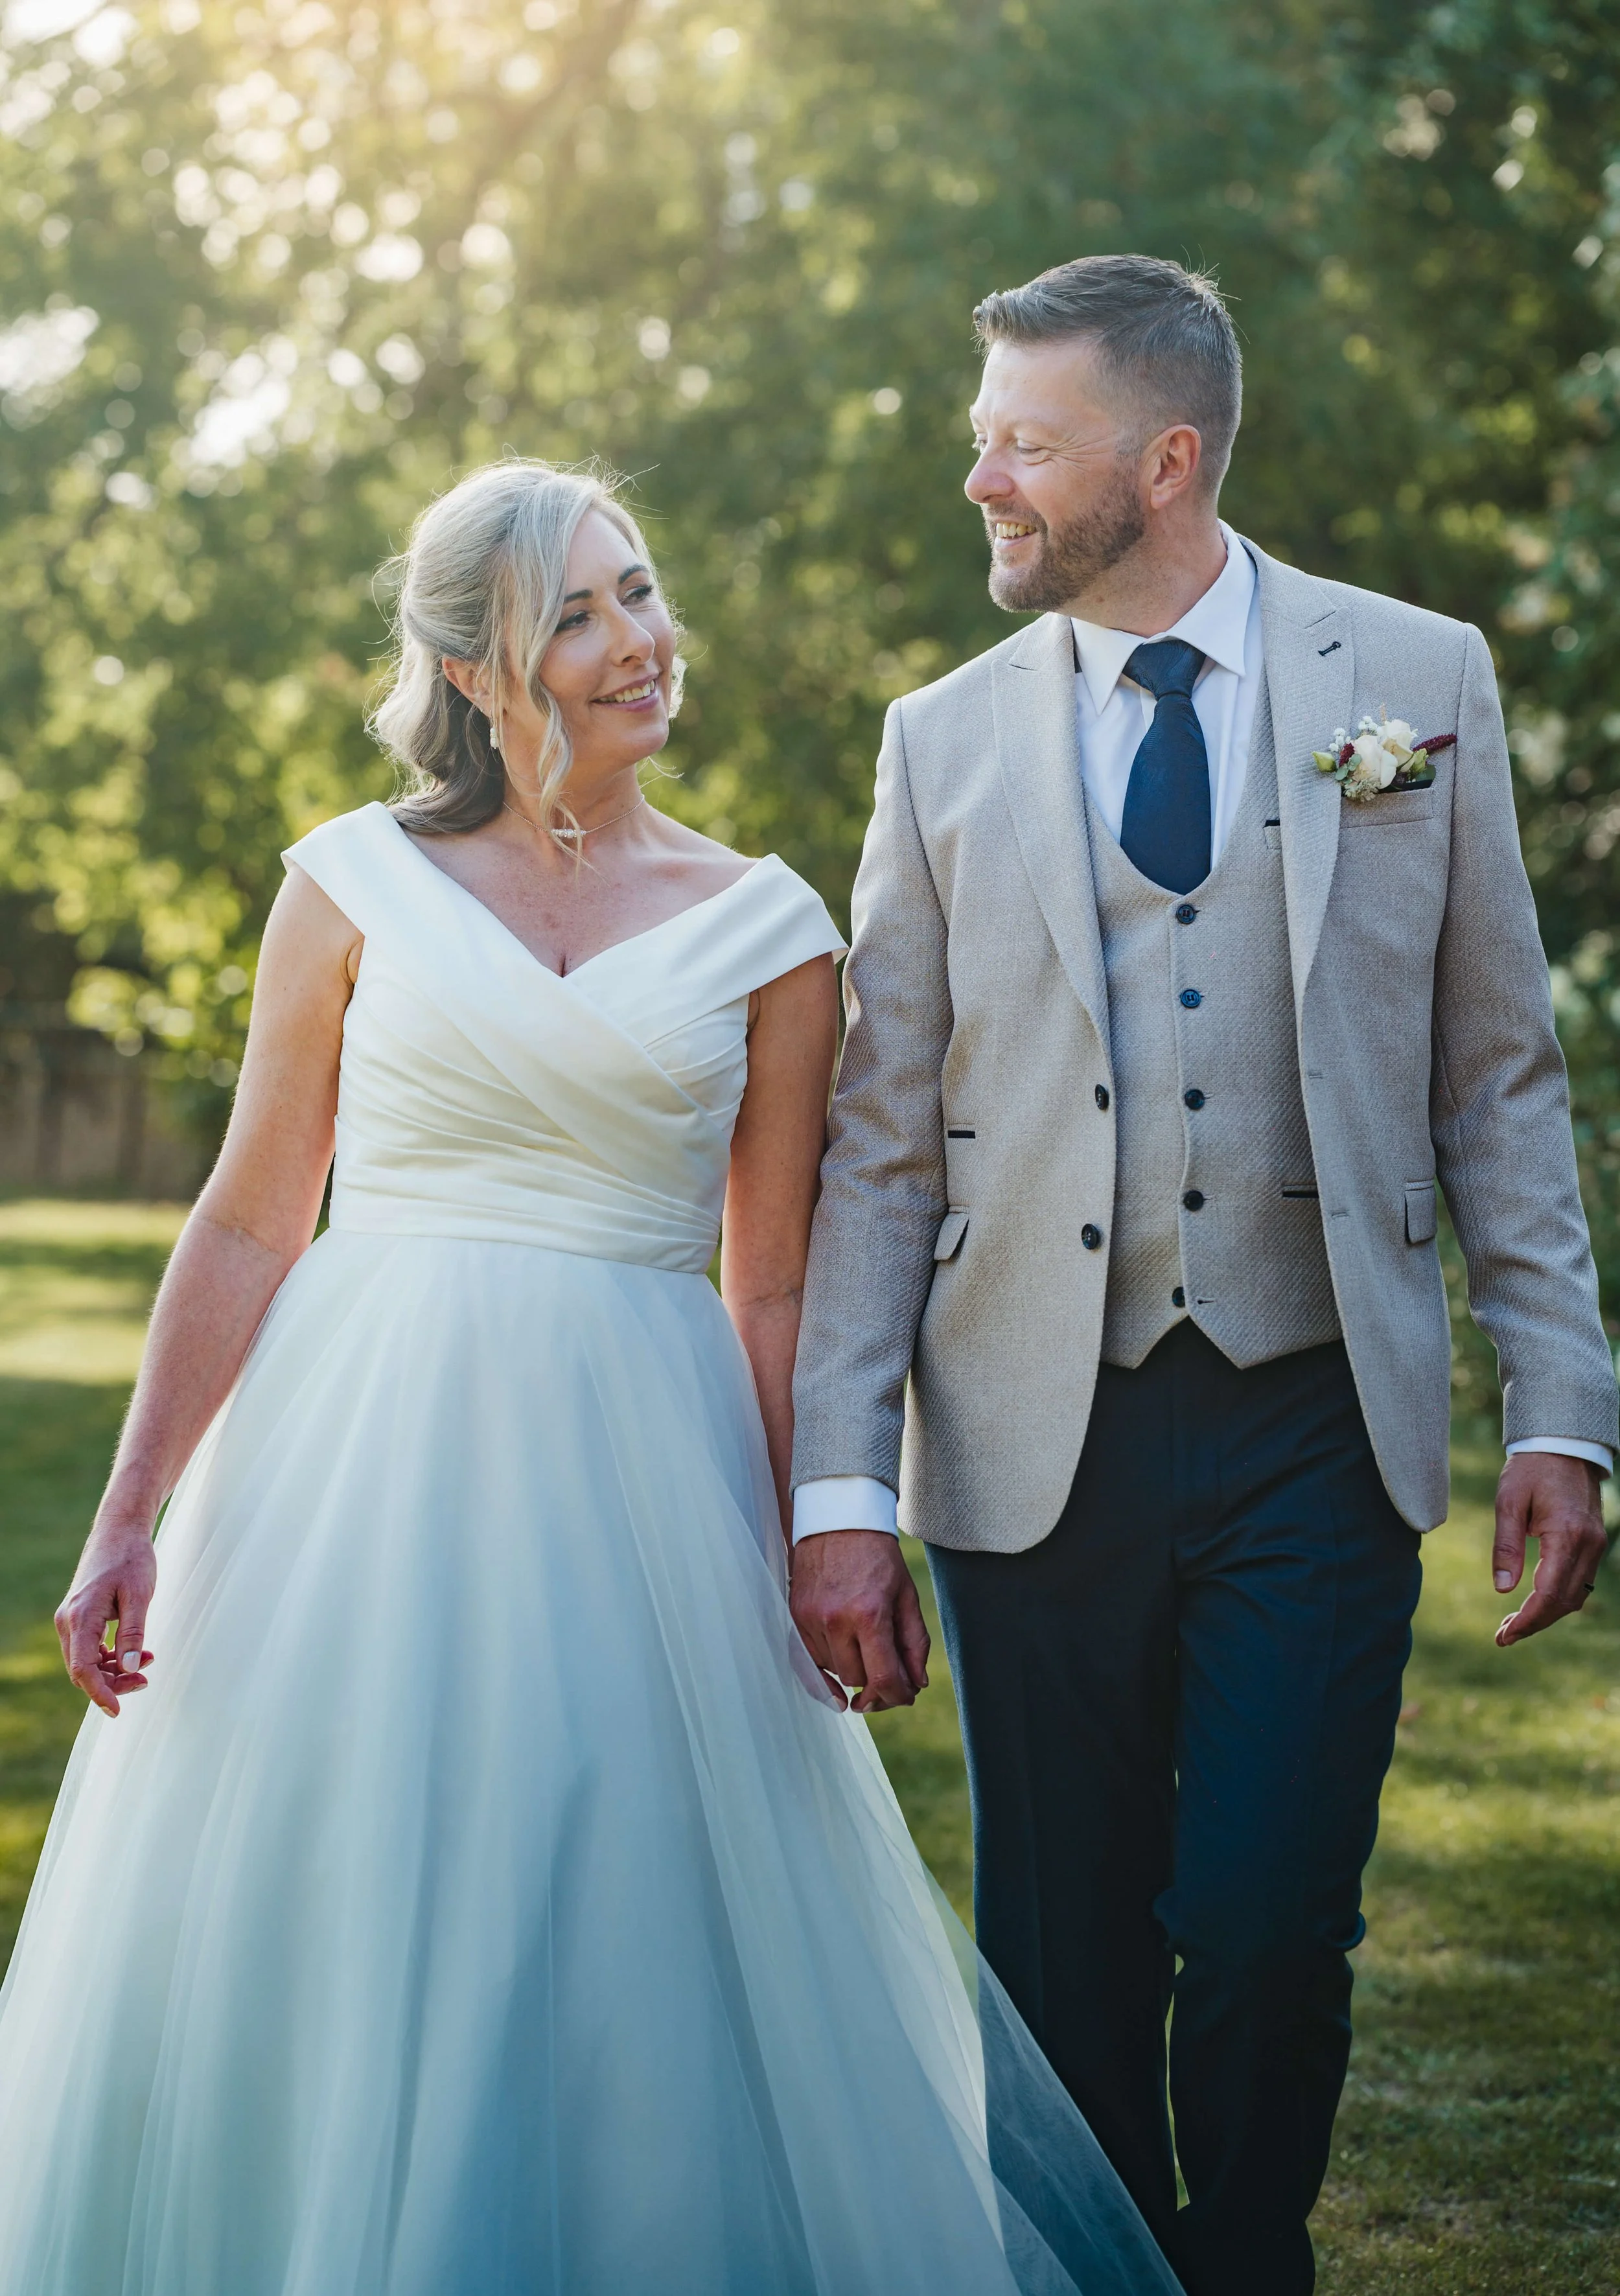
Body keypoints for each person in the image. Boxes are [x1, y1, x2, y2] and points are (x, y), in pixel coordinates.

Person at [0, 459, 1181, 2296]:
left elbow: (772, 1273)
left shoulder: (772, 927)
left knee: (611, 1888)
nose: (640, 638)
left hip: (638, 1459)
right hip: (354, 1450)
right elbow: (248, 1215)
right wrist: (132, 1507)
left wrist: (821, 1530)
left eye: (638, 590)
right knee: (330, 1879)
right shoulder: (352, 878)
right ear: (480, 668)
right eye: (579, 611)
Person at [788, 256, 1618, 2296]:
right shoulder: (938, 738)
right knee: (1056, 1946)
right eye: (980, 431)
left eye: (1020, 440)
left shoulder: (1409, 678)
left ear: (1162, 459)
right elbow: (880, 1135)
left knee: (1263, 1918)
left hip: (1312, 1407)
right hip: (1018, 1422)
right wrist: (839, 1488)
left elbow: (1495, 1067)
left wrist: (1563, 1407)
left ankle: (1247, 2259)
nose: (975, 472)